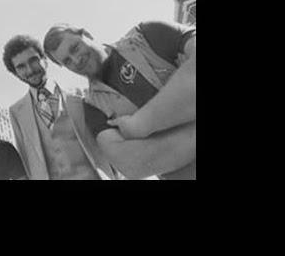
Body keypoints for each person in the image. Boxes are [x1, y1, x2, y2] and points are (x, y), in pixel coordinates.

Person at [43, 20, 196, 180]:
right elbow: (132, 164)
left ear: (86, 34)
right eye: (67, 61)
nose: (76, 60)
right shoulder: (92, 107)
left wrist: (139, 124)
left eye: (75, 48)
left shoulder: (145, 36)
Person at [2, 35, 117, 180]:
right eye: (21, 67)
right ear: (15, 73)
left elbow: (109, 141)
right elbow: (26, 160)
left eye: (33, 60)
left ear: (45, 59)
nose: (30, 70)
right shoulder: (16, 112)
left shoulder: (80, 94)